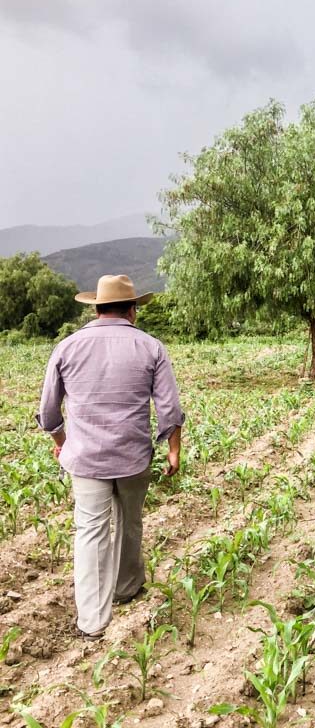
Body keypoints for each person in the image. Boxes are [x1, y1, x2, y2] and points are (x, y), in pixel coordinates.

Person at [36, 274, 185, 640]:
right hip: (134, 458)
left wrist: (62, 441)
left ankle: (91, 622)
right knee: (130, 523)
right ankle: (126, 588)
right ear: (133, 311)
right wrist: (174, 449)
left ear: (97, 308)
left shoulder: (67, 347)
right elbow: (169, 408)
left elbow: (48, 410)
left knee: (90, 532)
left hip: (85, 459)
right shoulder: (151, 347)